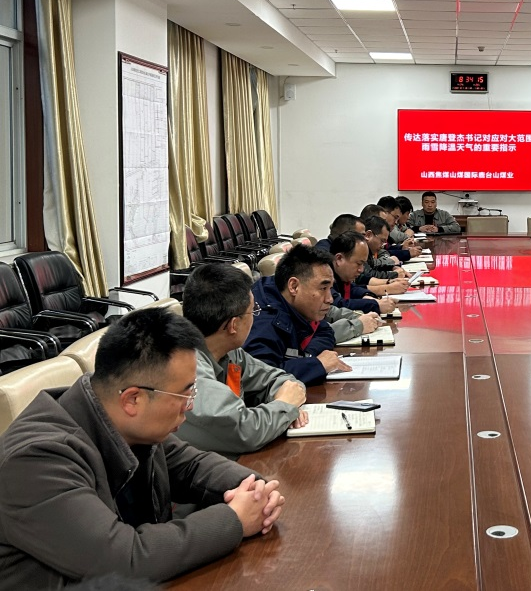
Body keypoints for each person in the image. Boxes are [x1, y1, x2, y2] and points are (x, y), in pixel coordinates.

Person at [0, 308, 285, 587]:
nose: (190, 406)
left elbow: (192, 465)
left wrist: (254, 489)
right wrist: (235, 519)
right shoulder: (36, 461)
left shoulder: (121, 420)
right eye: (185, 394)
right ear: (133, 400)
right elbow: (126, 559)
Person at [177, 263, 309, 456]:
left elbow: (282, 381)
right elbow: (244, 431)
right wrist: (285, 407)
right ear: (233, 325)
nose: (256, 316)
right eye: (253, 310)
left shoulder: (229, 352)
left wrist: (288, 402)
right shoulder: (188, 370)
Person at [244, 244, 351, 385]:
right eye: (323, 288)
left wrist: (306, 357)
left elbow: (325, 331)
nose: (330, 299)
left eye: (330, 288)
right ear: (294, 286)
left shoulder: (293, 303)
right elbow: (261, 379)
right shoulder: (264, 321)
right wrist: (317, 364)